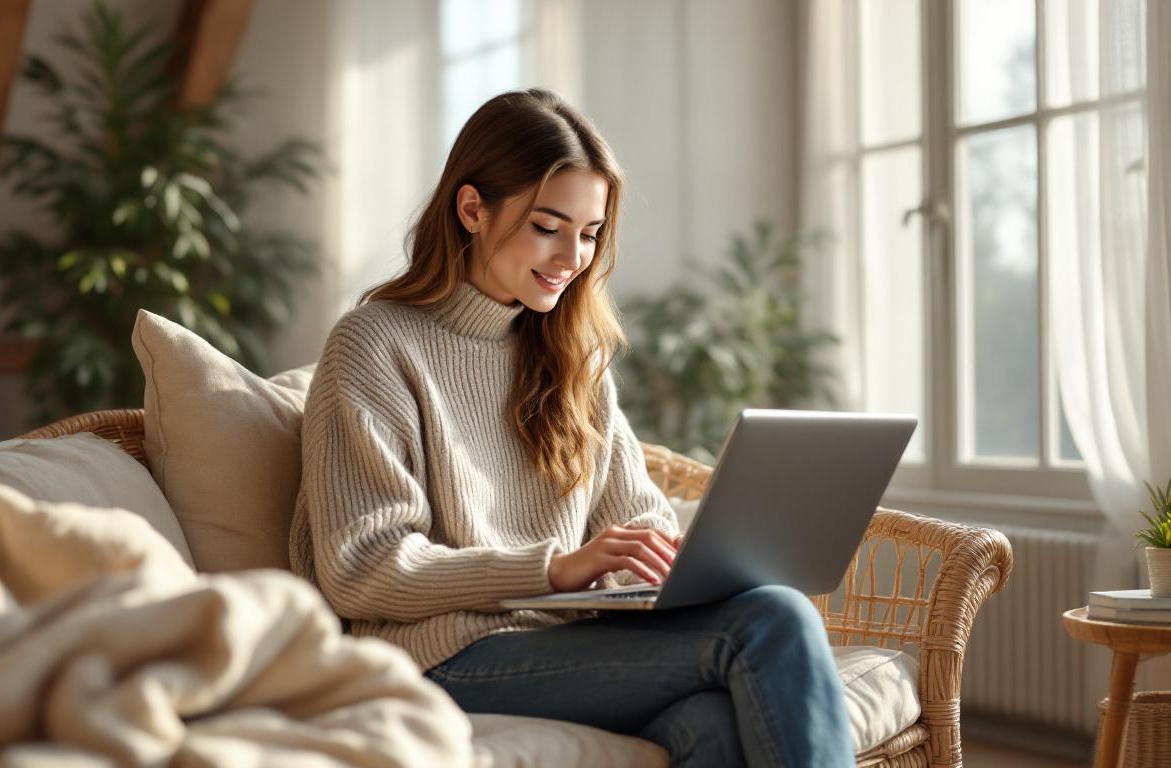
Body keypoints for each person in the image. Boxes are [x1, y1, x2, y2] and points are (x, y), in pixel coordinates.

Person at [288, 87, 855, 767]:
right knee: (774, 619)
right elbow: (363, 569)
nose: (572, 257)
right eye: (547, 226)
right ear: (472, 209)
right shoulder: (373, 345)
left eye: (589, 234)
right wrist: (553, 569)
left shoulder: (574, 355)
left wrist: (664, 567)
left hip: (563, 646)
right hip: (440, 657)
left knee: (715, 723)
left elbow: (637, 519)